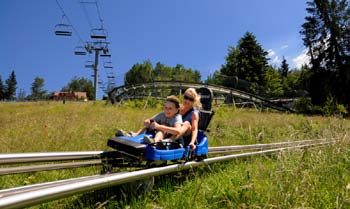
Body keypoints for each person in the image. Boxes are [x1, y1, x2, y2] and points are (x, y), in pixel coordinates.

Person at [116, 95, 183, 144]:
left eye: (170, 108)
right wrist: (147, 122)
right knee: (146, 128)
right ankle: (133, 135)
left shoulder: (177, 117)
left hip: (168, 137)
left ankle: (154, 141)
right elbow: (150, 119)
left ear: (176, 110)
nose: (167, 110)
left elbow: (178, 131)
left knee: (161, 130)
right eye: (165, 108)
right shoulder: (162, 114)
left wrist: (159, 127)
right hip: (156, 133)